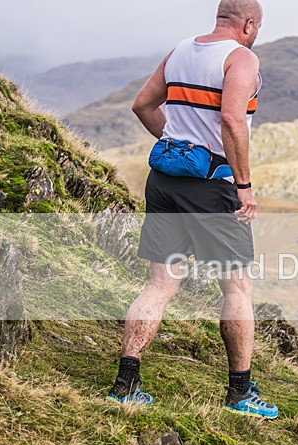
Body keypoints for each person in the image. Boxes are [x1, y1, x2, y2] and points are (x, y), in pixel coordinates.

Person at [106, 0, 278, 419]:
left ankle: (126, 384)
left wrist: (178, 145)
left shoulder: (181, 50)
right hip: (212, 188)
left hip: (164, 183)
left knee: (159, 286)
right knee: (236, 288)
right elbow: (232, 122)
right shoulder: (242, 59)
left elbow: (142, 104)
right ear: (249, 25)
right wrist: (245, 186)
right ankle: (239, 392)